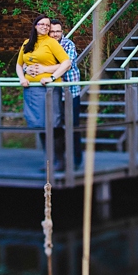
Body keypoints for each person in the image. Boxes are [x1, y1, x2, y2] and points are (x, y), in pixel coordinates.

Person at [16, 15, 71, 171]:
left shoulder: (52, 43)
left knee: (53, 123)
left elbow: (66, 63)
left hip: (49, 89)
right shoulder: (27, 44)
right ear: (35, 26)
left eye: (47, 25)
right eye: (42, 24)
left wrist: (52, 77)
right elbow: (19, 65)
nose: (45, 27)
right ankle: (49, 161)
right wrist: (22, 78)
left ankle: (59, 161)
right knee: (39, 124)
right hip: (31, 89)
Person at [26, 18, 82, 168]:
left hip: (69, 93)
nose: (56, 34)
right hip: (49, 94)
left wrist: (44, 69)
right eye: (53, 32)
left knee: (72, 127)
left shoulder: (68, 44)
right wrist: (27, 69)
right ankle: (54, 160)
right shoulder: (41, 44)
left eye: (59, 31)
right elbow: (29, 62)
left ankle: (75, 161)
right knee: (49, 127)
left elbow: (67, 64)